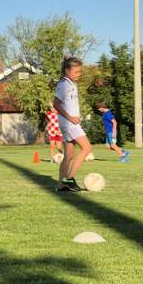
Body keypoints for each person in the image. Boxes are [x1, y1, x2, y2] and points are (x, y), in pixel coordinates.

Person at [53, 57, 93, 192]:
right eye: (76, 72)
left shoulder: (71, 84)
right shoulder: (63, 84)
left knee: (69, 155)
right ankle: (69, 179)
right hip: (69, 124)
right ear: (66, 70)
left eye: (79, 72)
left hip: (69, 123)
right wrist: (71, 118)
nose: (78, 74)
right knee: (87, 148)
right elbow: (56, 104)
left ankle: (61, 185)